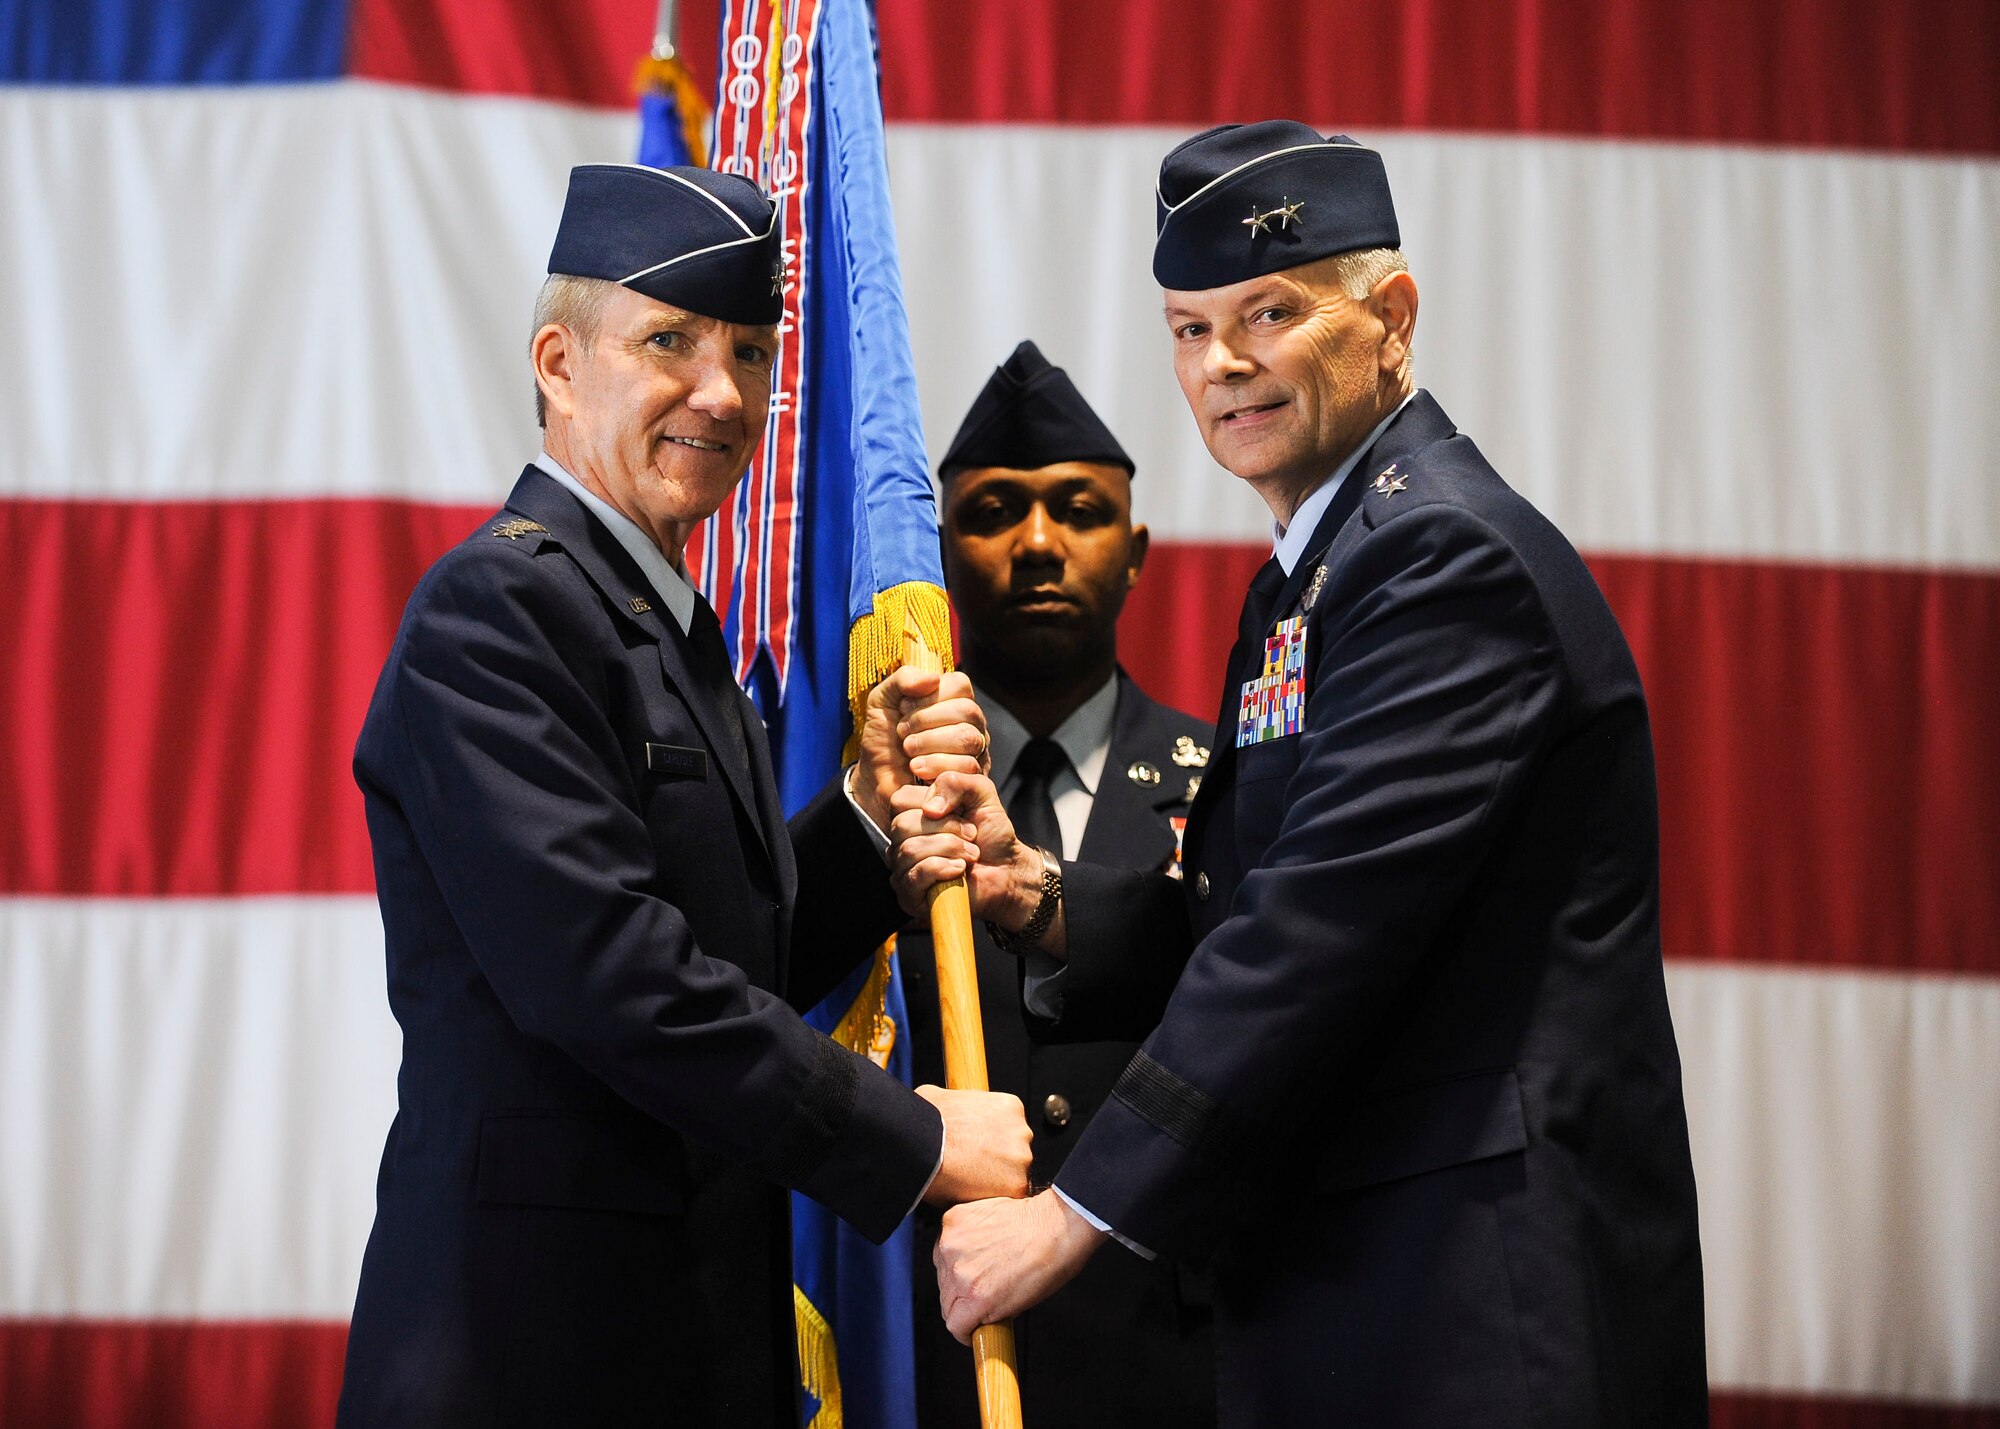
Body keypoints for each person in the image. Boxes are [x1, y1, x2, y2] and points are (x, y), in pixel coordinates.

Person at [893, 122, 1709, 1426]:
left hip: (1471, 1310)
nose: (1222, 364)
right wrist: (1036, 895)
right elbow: (1244, 892)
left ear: (1392, 315)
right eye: (1185, 327)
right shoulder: (1319, 575)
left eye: (1267, 310)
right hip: (1360, 1292)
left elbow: (1315, 932)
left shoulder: (1443, 563)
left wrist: (1074, 1208)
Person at [335, 163, 1029, 1428]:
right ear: (557, 361)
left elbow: (731, 952)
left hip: (679, 1339)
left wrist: (871, 820)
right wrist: (912, 1139)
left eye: (751, 352)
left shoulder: (660, 623)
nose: (721, 392)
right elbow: (609, 976)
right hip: (531, 1355)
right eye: (670, 341)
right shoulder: (499, 612)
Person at [898, 341, 1217, 1428]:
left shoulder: (1226, 786)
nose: (1036, 544)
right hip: (927, 1346)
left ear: (1132, 553)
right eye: (994, 512)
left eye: (1075, 511)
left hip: (1167, 1356)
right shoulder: (869, 801)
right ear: (941, 554)